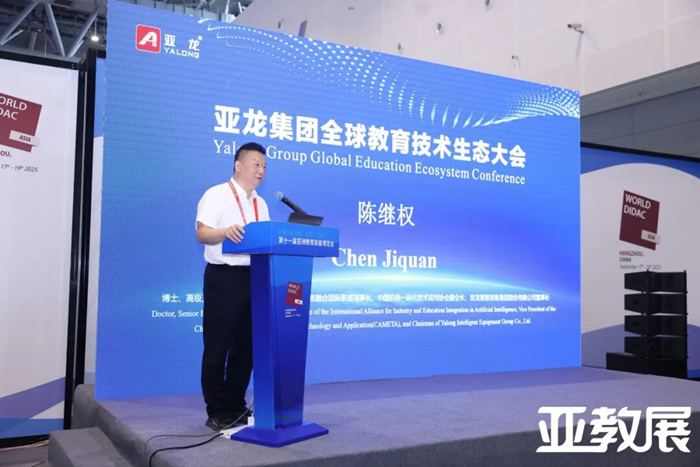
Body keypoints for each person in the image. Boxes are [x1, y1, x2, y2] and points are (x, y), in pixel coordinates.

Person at [195, 142, 270, 431]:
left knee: (246, 347)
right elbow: (202, 232)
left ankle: (236, 404)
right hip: (223, 278)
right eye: (256, 164)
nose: (261, 170)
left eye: (264, 166)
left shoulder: (261, 203)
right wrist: (225, 232)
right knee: (218, 346)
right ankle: (216, 410)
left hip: (254, 278)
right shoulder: (217, 194)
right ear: (238, 165)